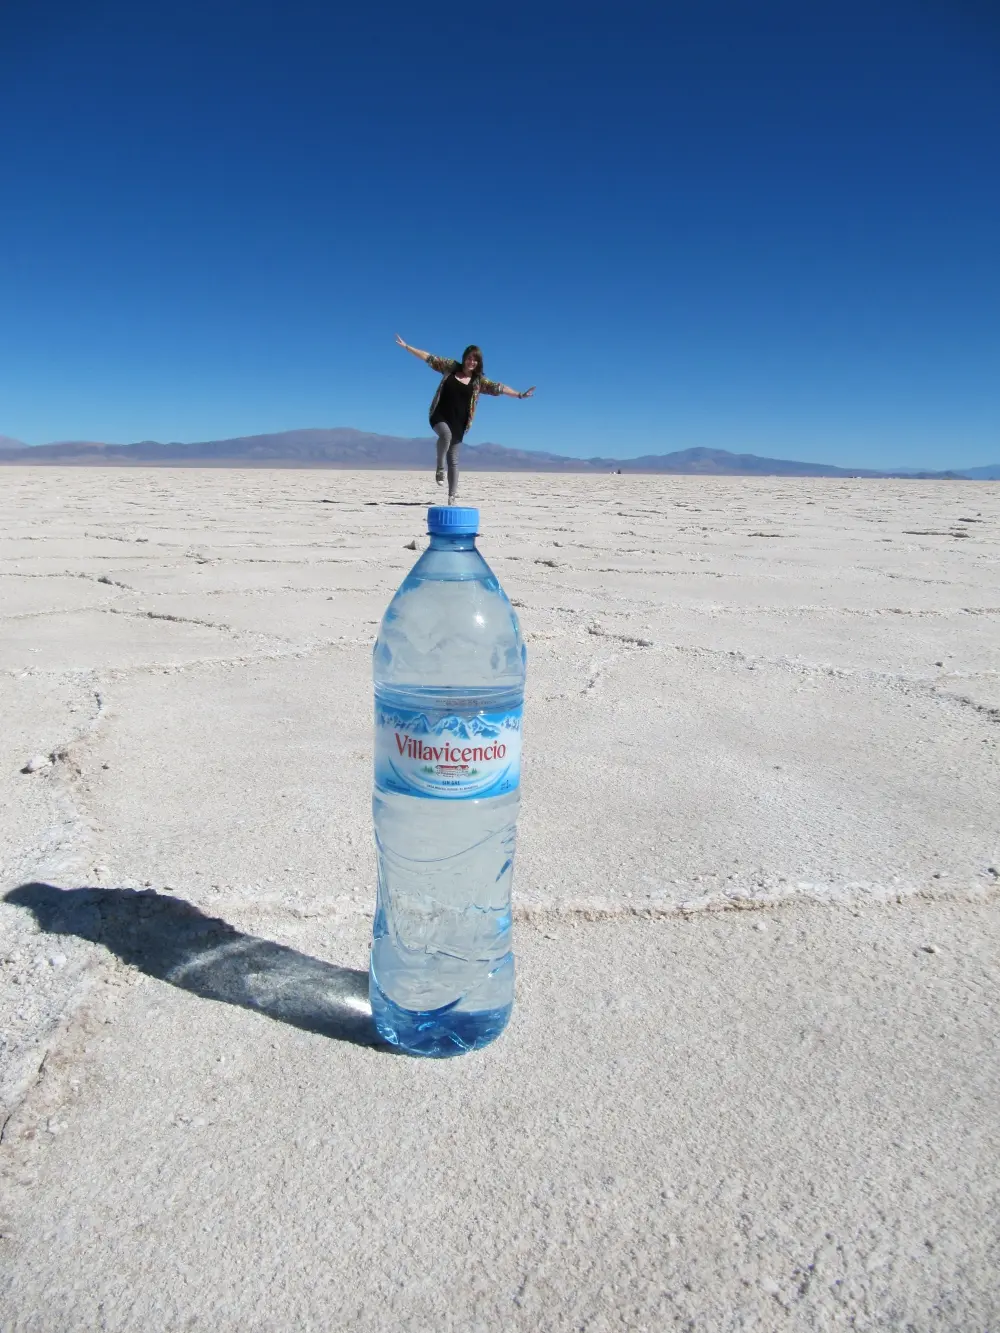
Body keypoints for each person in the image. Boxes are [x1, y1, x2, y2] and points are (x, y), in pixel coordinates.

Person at [395, 335, 535, 503]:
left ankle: (452, 496)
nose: (471, 362)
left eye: (475, 360)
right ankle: (440, 468)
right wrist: (407, 347)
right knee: (445, 435)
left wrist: (519, 395)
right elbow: (429, 358)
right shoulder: (451, 367)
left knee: (453, 460)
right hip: (439, 414)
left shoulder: (478, 381)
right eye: (469, 358)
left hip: (459, 423)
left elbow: (499, 388)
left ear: (479, 363)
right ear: (464, 358)